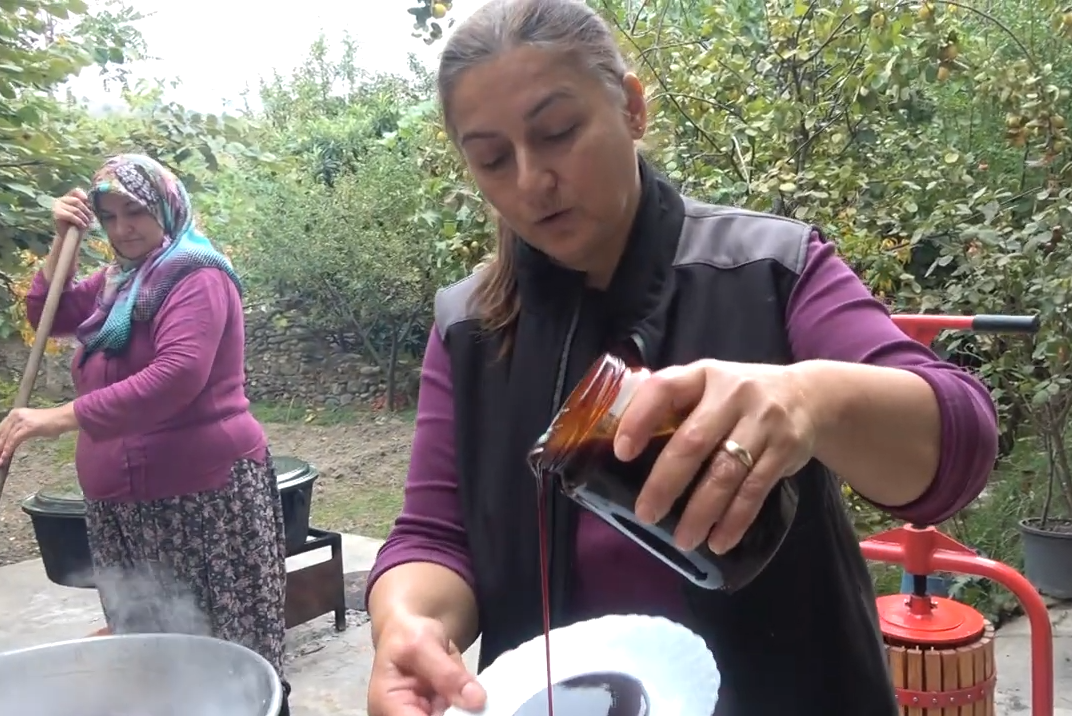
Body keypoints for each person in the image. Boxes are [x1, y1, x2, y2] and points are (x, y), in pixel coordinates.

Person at [364, 1, 999, 714]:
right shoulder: (469, 326)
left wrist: (809, 401)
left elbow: (960, 442)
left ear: (632, 108)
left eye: (559, 131)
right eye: (491, 158)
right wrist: (407, 624)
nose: (531, 180)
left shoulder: (767, 266)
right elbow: (433, 536)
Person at [0, 154, 292, 715]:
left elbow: (176, 376)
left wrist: (60, 417)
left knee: (223, 655)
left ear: (165, 206)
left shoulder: (195, 274)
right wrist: (63, 241)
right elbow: (49, 318)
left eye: (134, 212)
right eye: (108, 217)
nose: (122, 228)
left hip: (201, 502)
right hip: (123, 505)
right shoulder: (119, 280)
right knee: (147, 660)